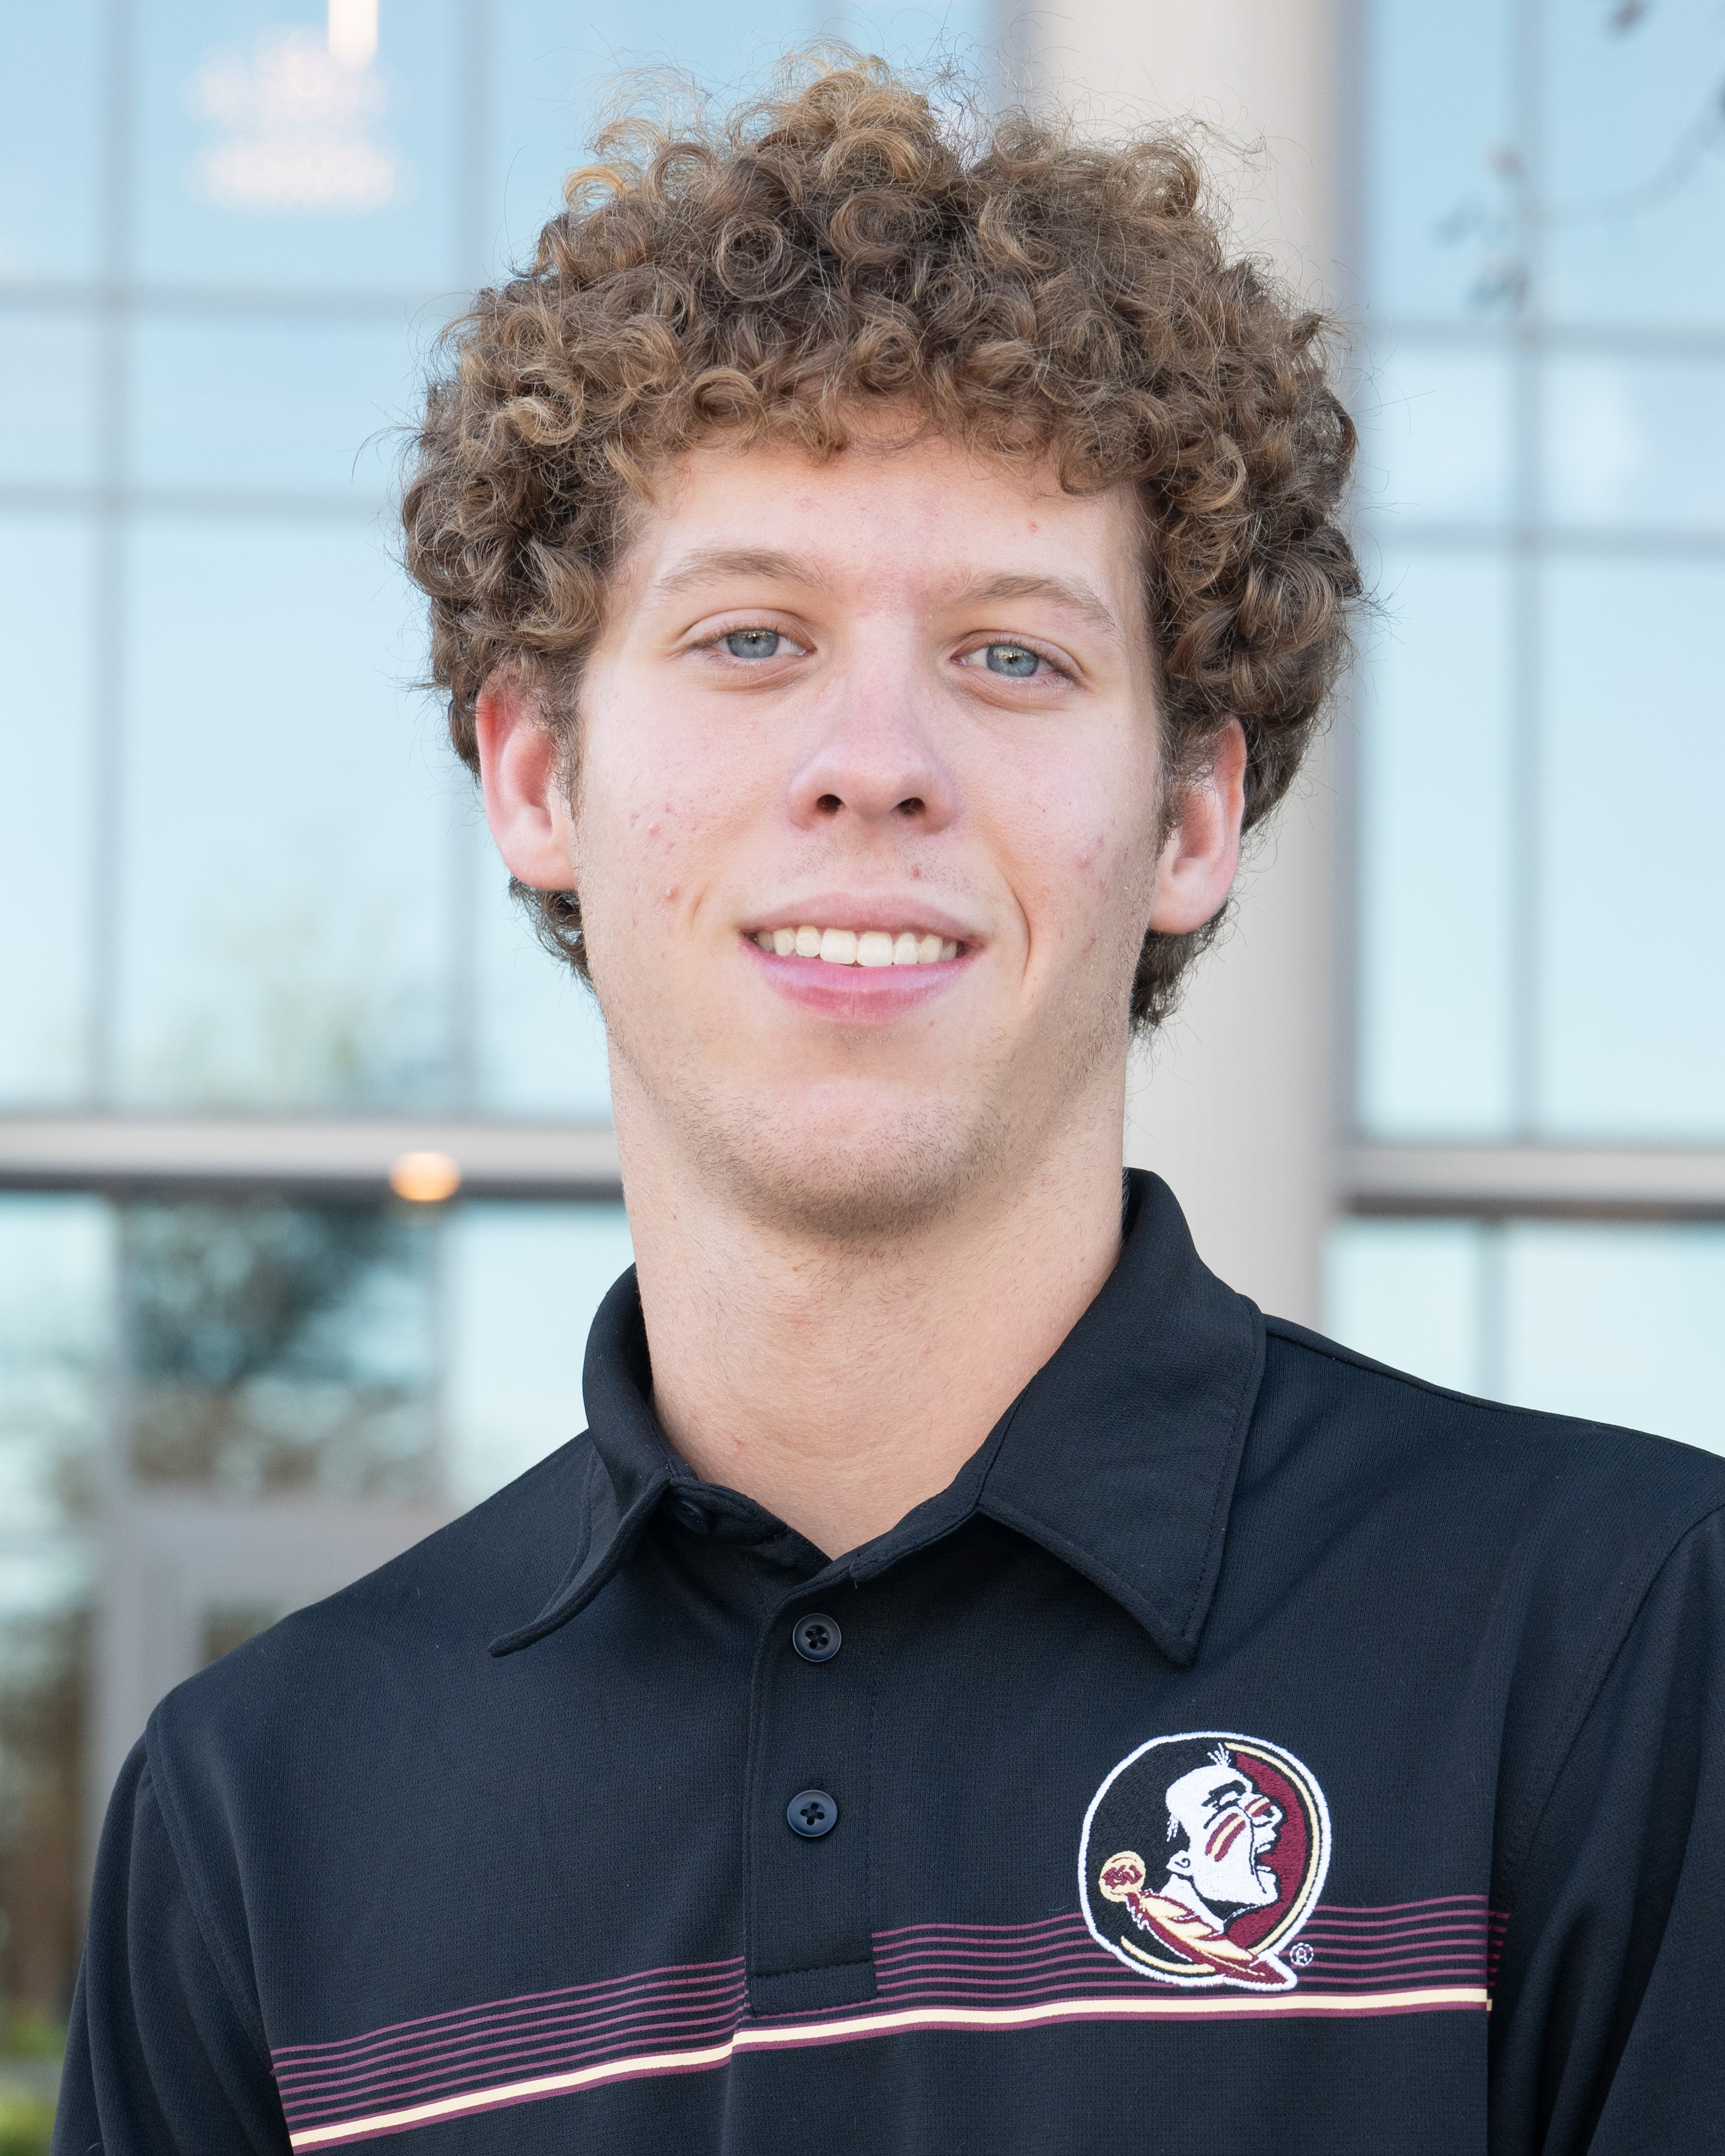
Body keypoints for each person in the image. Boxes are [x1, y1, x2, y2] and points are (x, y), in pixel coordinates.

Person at [54, 56, 1725, 2156]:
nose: (875, 761)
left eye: (1014, 659)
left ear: (1190, 817)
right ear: (537, 777)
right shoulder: (257, 1812)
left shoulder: (1620, 1645)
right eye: (751, 638)